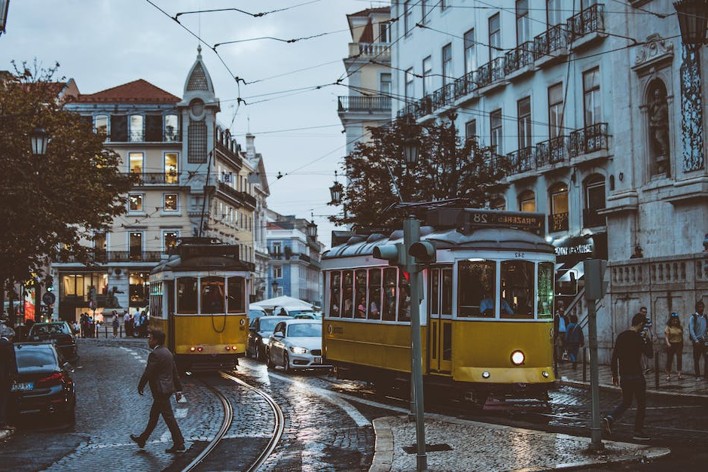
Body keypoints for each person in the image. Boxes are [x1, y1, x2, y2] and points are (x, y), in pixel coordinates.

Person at [130, 329, 185, 453]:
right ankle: (142, 439)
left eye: (150, 338)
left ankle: (179, 442)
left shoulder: (155, 354)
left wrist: (141, 385)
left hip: (160, 390)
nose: (148, 340)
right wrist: (178, 388)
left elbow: (148, 372)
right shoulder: (168, 352)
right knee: (153, 416)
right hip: (166, 389)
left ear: (156, 340)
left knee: (169, 418)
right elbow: (174, 372)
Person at [602, 312, 652, 441]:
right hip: (636, 375)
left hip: (624, 376)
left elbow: (614, 357)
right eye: (644, 325)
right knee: (641, 403)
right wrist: (648, 339)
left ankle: (610, 418)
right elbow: (650, 354)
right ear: (640, 324)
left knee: (626, 402)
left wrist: (615, 375)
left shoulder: (621, 336)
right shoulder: (639, 338)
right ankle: (638, 431)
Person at [0, 321, 17, 431]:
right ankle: (2, 422)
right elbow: (12, 362)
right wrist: (14, 375)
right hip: (5, 377)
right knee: (4, 400)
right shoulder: (8, 346)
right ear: (10, 336)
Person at [688, 300, 707, 380]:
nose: (701, 308)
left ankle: (706, 376)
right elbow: (691, 329)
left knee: (707, 358)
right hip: (697, 342)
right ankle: (697, 376)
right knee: (696, 359)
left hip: (705, 341)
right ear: (696, 308)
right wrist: (695, 340)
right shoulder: (693, 317)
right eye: (699, 307)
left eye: (702, 307)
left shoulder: (705, 317)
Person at [664, 313, 683, 381]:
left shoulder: (680, 327)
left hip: (679, 344)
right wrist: (668, 343)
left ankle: (679, 374)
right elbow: (666, 337)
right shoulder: (668, 327)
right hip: (671, 344)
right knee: (669, 359)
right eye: (674, 320)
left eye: (676, 320)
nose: (675, 321)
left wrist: (681, 344)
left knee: (679, 359)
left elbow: (681, 335)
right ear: (671, 320)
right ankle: (668, 375)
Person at [638, 307, 655, 374]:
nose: (644, 313)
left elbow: (650, 328)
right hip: (638, 338)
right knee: (640, 353)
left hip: (645, 337)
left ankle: (646, 367)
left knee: (646, 352)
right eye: (643, 312)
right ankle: (644, 367)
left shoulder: (648, 319)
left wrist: (653, 335)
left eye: (645, 312)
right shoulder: (637, 319)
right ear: (640, 312)